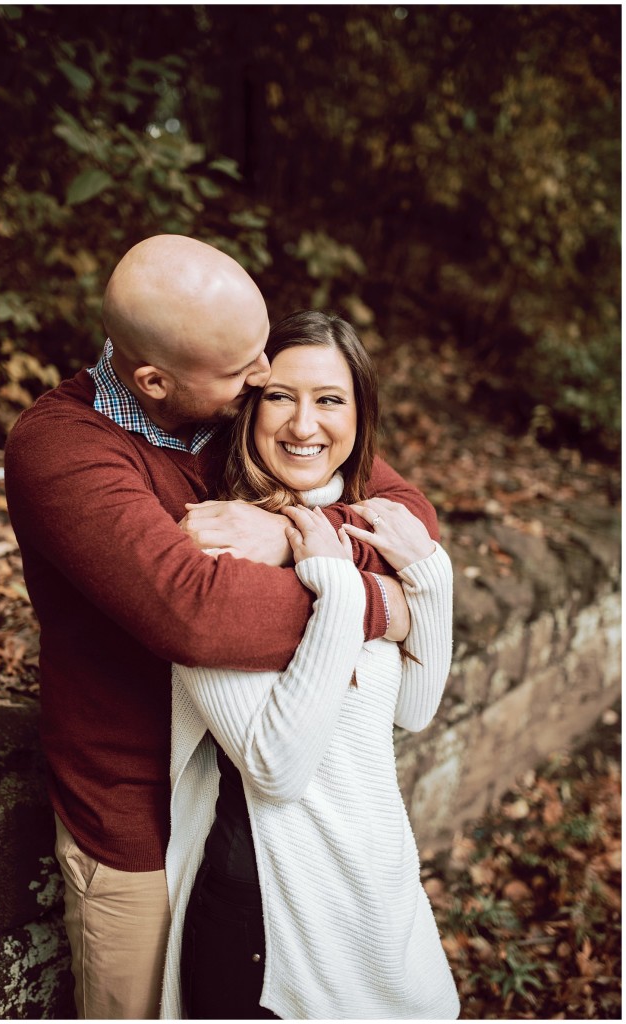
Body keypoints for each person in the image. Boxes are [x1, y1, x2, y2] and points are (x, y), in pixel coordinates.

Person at [3, 235, 441, 1020]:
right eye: (246, 370)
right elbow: (196, 613)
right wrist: (383, 607)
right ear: (153, 381)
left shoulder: (231, 399)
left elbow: (404, 508)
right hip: (138, 812)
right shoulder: (63, 451)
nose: (266, 378)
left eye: (261, 352)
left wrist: (296, 537)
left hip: (253, 818)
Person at [161, 311, 459, 1020]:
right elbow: (276, 769)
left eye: (330, 399)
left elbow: (413, 709)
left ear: (361, 416)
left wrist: (430, 575)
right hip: (268, 914)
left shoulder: (366, 525)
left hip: (375, 892)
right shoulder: (214, 543)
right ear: (248, 406)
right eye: (280, 396)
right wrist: (337, 588)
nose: (304, 424)